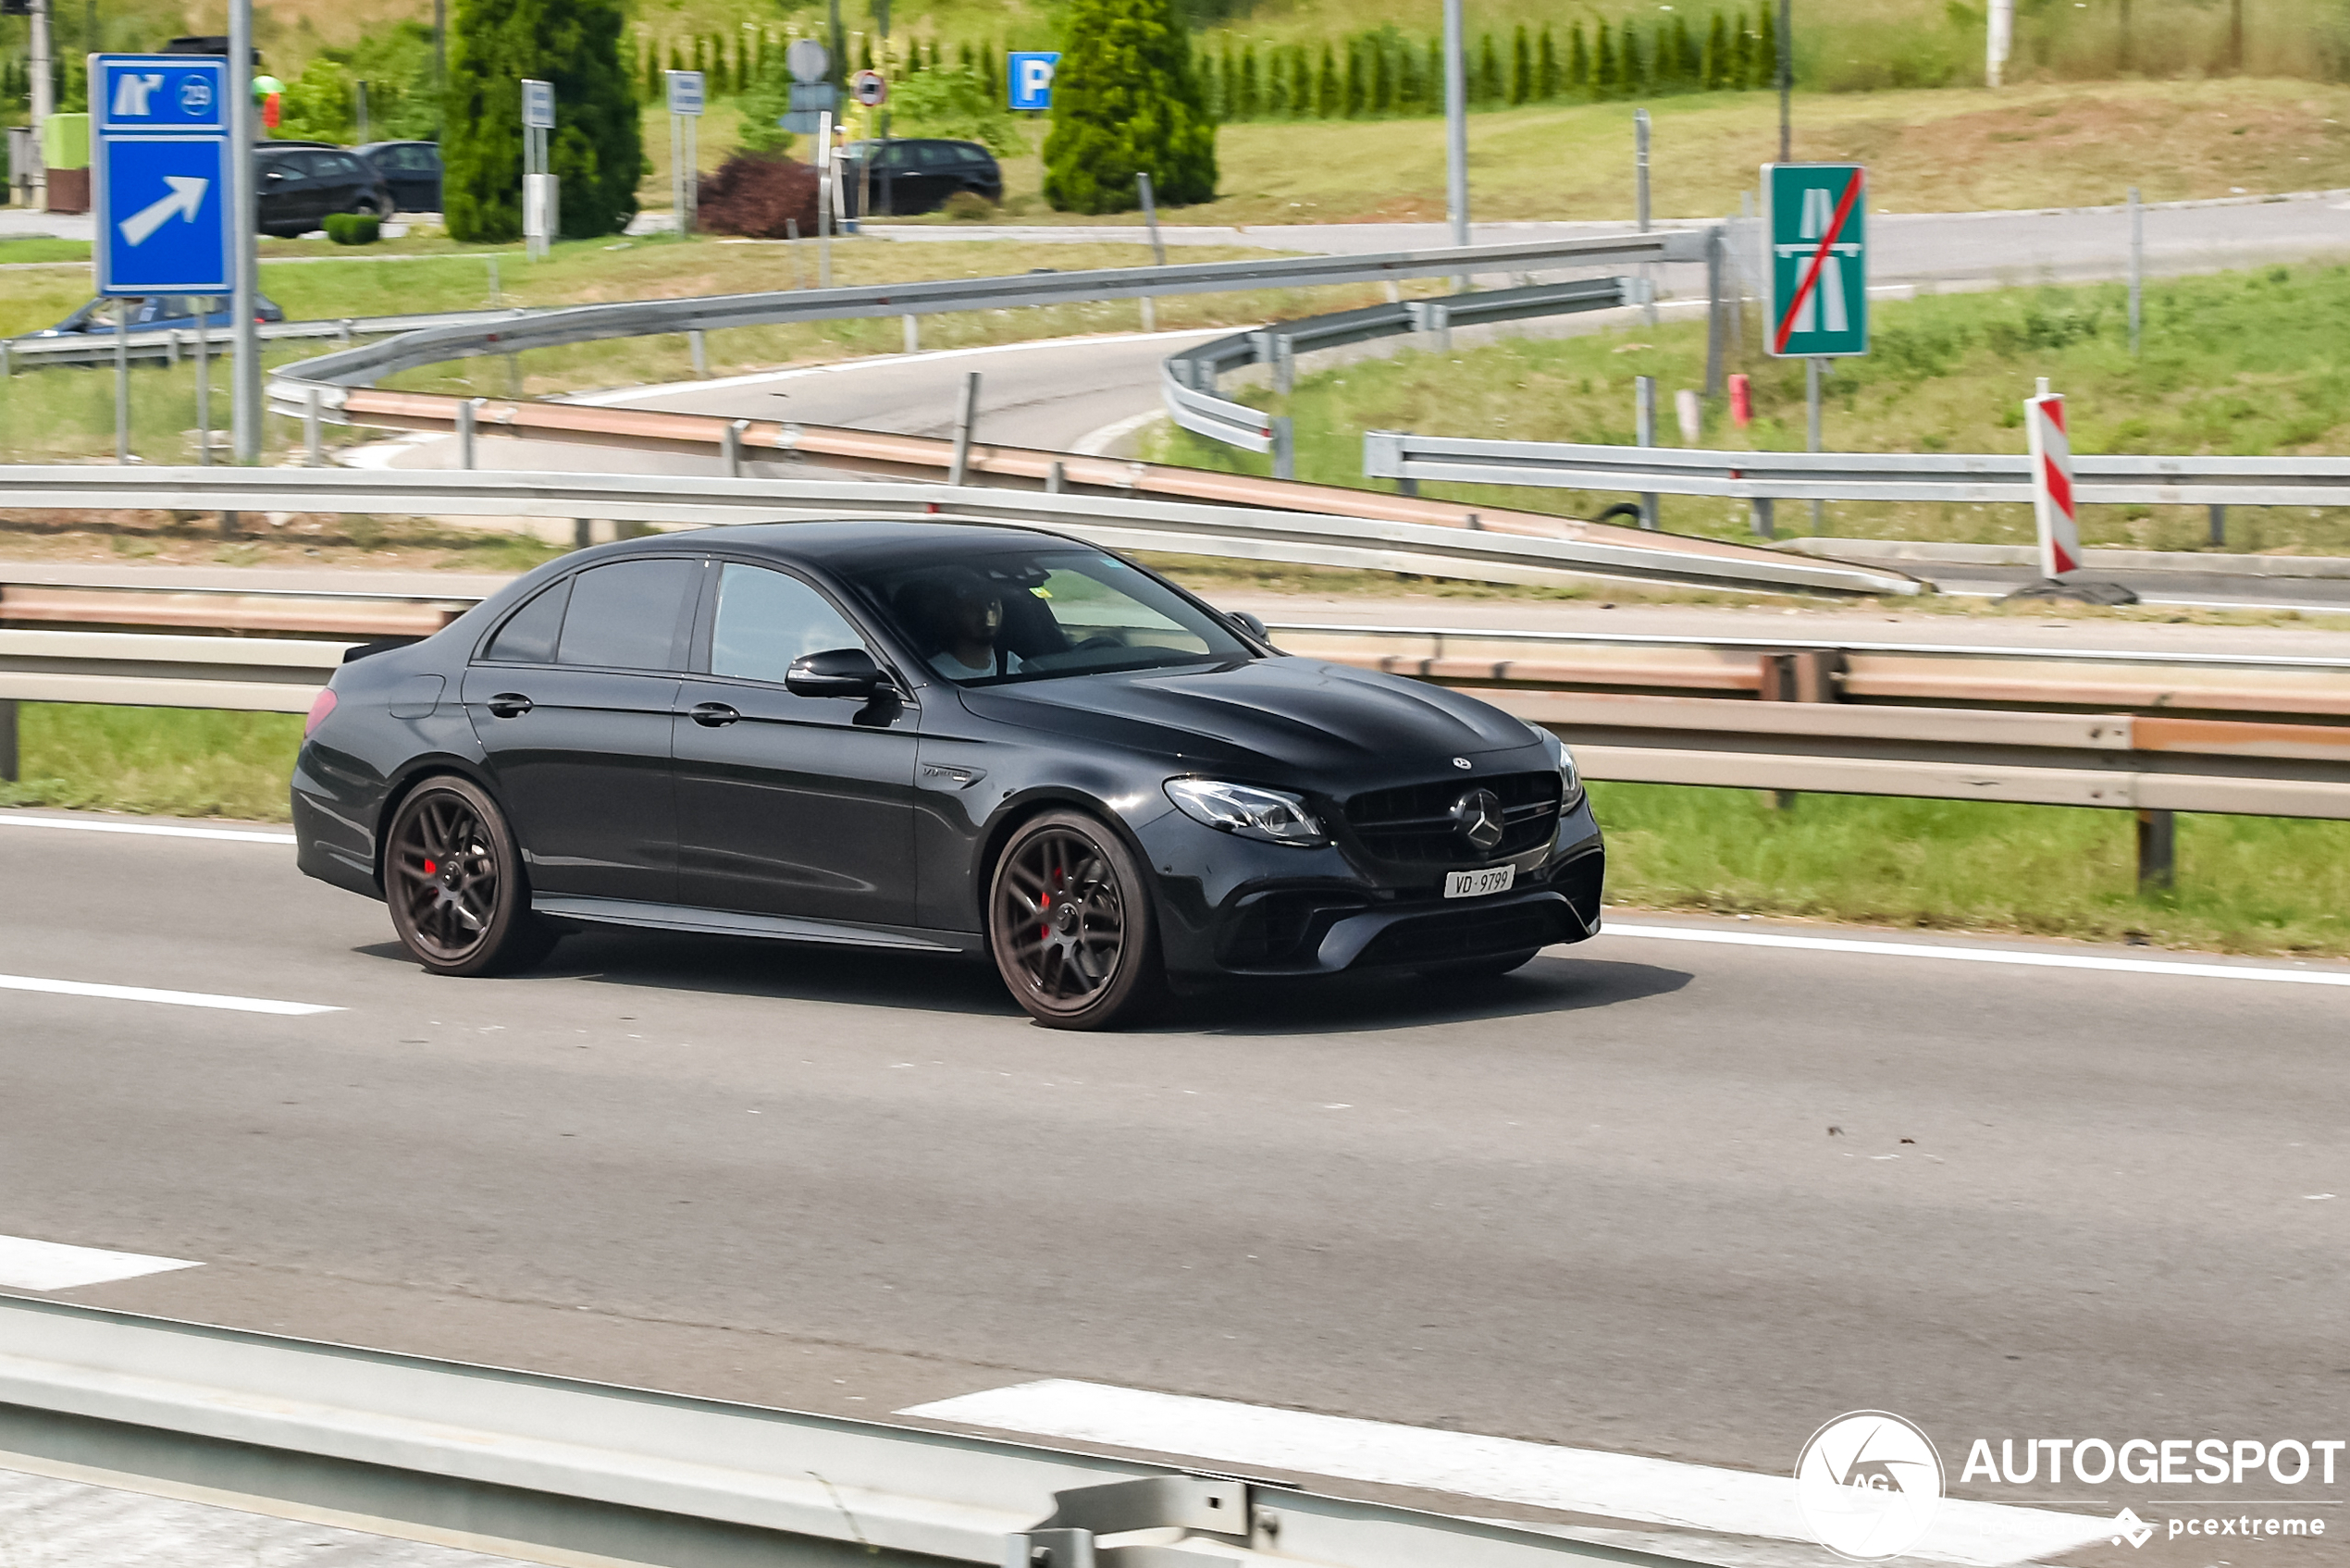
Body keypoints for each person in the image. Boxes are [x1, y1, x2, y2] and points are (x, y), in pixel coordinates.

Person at [899, 571, 1022, 680]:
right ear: (950, 614)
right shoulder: (933, 675)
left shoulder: (1013, 663)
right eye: (973, 605)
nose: (986, 613)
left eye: (992, 603)